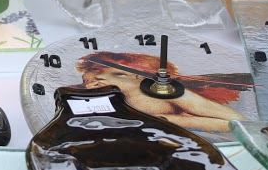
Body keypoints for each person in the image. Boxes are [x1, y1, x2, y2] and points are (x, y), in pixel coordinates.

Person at [76, 51, 245, 133]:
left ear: (138, 77)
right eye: (87, 81)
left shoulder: (164, 92)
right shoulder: (100, 100)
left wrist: (170, 120)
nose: (92, 84)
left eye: (118, 74)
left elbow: (235, 121)